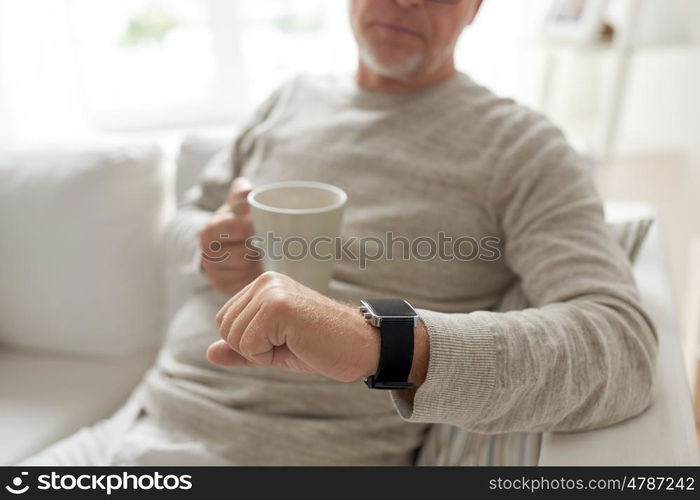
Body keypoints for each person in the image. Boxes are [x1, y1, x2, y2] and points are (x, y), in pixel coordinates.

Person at [22, 0, 657, 466]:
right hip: (133, 424)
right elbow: (197, 214)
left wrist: (379, 341)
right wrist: (211, 248)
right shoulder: (288, 99)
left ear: (477, 8)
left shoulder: (522, 148)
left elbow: (619, 346)